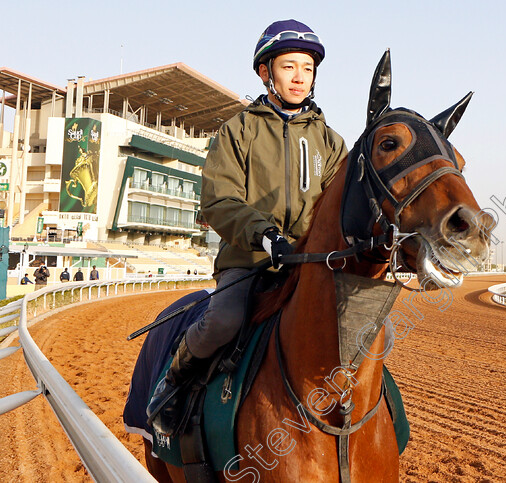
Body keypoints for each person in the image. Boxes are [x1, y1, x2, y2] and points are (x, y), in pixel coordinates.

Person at [148, 19, 347, 436]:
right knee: (223, 320)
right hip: (249, 258)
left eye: (307, 68)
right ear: (265, 72)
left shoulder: (330, 141)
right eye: (289, 66)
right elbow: (219, 200)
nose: (299, 77)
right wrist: (264, 235)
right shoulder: (238, 130)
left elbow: (338, 207)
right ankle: (173, 382)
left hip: (308, 263)